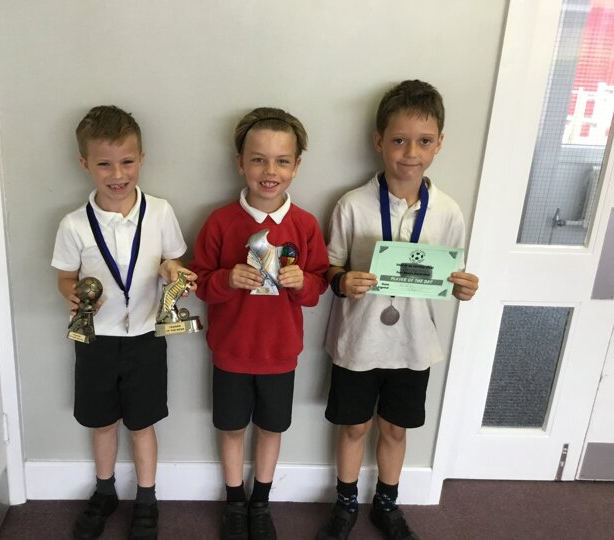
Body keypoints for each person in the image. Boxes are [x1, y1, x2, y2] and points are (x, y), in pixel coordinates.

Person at [316, 80, 480, 540]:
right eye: (399, 140)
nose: (411, 153)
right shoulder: (352, 205)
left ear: (439, 143)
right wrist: (342, 281)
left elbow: (451, 275)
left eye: (424, 141)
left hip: (413, 345)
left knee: (395, 430)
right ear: (379, 141)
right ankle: (345, 504)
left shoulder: (447, 211)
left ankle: (386, 504)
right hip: (358, 341)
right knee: (353, 428)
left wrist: (463, 288)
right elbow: (329, 266)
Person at [52, 105, 196, 540]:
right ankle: (105, 491)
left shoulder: (160, 212)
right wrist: (71, 293)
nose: (118, 174)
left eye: (127, 161)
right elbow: (65, 277)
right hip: (96, 340)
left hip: (146, 338)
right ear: (85, 164)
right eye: (104, 164)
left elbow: (173, 260)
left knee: (142, 423)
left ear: (142, 159)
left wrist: (173, 272)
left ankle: (147, 498)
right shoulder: (74, 224)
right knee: (102, 422)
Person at [190, 107, 329, 540]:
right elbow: (199, 284)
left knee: (271, 428)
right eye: (258, 160)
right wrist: (226, 279)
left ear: (296, 166)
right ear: (240, 162)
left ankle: (261, 502)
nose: (270, 172)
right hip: (231, 351)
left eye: (282, 161)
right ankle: (235, 502)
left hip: (279, 353)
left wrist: (301, 282)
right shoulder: (219, 221)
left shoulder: (305, 225)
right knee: (231, 428)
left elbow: (318, 287)